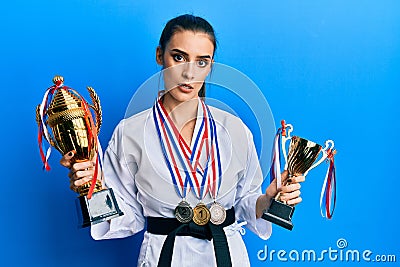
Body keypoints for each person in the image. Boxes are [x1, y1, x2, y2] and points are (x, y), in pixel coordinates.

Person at [60, 14, 304, 267]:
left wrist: (270, 199)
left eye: (201, 62)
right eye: (179, 57)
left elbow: (246, 203)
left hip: (225, 256)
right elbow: (126, 217)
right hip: (163, 256)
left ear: (210, 67)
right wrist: (91, 188)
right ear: (159, 55)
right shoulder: (130, 132)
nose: (188, 73)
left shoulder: (235, 129)